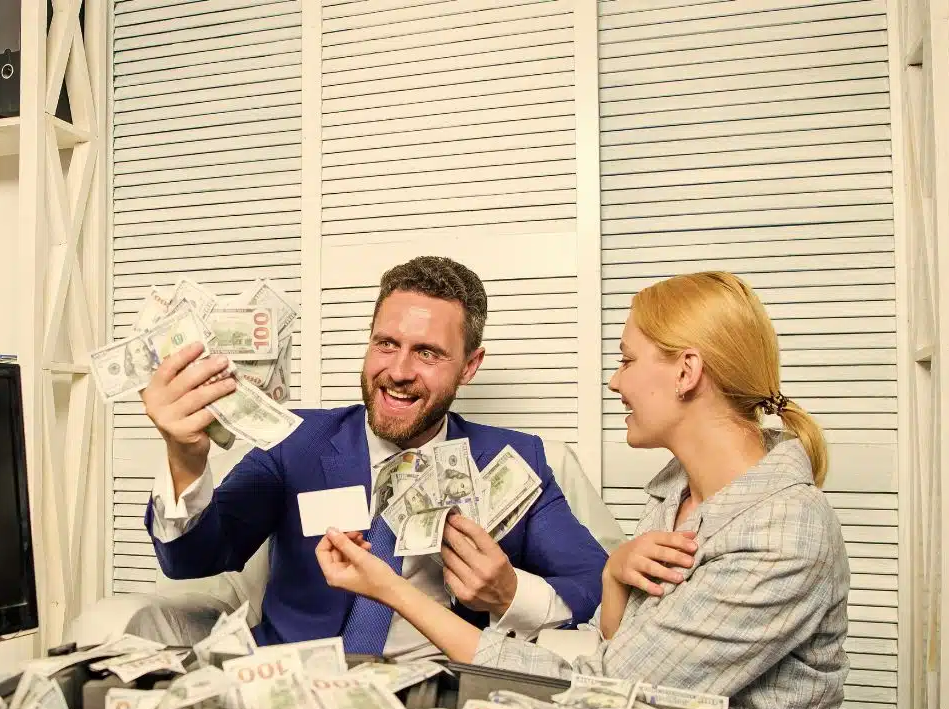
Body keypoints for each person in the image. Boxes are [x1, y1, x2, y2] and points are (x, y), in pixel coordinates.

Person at [315, 271, 895, 709]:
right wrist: (616, 577)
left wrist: (395, 590)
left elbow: (606, 688)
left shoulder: (783, 534)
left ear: (687, 371)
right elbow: (625, 648)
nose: (615, 383)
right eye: (385, 343)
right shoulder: (675, 491)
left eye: (626, 360)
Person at [141, 256, 609, 659]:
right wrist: (185, 456)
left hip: (435, 692)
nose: (398, 371)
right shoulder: (296, 441)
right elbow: (192, 560)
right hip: (300, 688)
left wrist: (508, 593)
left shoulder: (514, 460)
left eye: (427, 353)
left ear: (469, 366)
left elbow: (595, 584)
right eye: (386, 344)